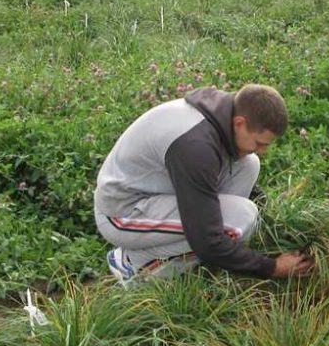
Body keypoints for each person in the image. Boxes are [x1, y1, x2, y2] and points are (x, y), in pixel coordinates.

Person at [94, 83, 314, 284]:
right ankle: (133, 264)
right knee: (242, 218)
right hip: (121, 213)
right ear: (240, 123)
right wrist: (272, 267)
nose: (264, 150)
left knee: (249, 164)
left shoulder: (221, 112)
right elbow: (207, 240)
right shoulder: (195, 147)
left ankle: (183, 256)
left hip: (155, 189)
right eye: (259, 142)